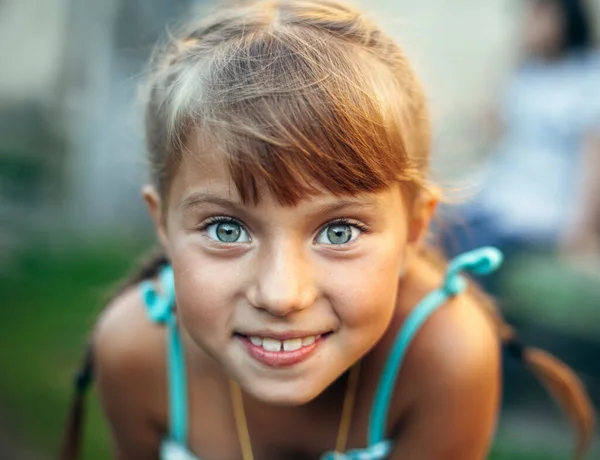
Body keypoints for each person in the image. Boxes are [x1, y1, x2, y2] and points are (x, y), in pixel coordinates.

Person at [60, 1, 595, 459]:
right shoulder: (135, 351)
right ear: (162, 224)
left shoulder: (445, 357)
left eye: (338, 232)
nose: (282, 294)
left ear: (413, 230)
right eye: (226, 229)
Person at [443, 0, 600, 261]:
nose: (530, 25)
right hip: (501, 193)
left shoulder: (589, 75)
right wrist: (510, 55)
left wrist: (580, 228)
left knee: (474, 243)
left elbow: (593, 158)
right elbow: (490, 124)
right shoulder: (527, 70)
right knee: (443, 225)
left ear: (565, 18)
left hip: (544, 206)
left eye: (539, 15)